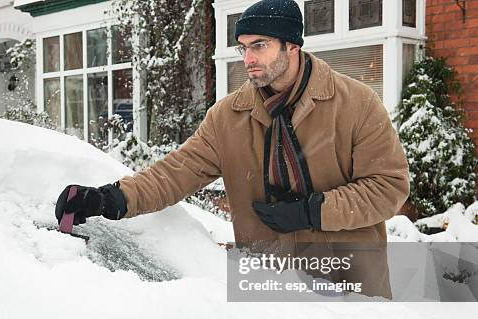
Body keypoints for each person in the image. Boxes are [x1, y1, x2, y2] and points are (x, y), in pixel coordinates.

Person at [55, 0, 410, 298]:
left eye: (260, 45)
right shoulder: (230, 116)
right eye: (243, 47)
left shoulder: (355, 103)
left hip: (350, 286)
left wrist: (312, 212)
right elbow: (176, 173)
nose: (248, 58)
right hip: (271, 285)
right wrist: (109, 199)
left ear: (292, 46)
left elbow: (387, 187)